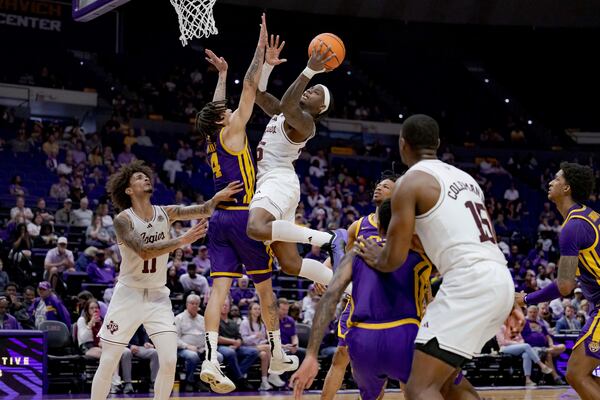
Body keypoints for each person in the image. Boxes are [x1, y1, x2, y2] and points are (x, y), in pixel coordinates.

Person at [354, 114, 514, 400]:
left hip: (468, 282)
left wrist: (378, 255)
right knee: (446, 382)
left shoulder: (408, 182)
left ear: (402, 145)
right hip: (499, 277)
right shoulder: (467, 179)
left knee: (419, 388)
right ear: (437, 144)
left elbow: (392, 259)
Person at [195, 16, 299, 393]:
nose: (230, 110)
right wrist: (259, 49)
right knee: (265, 289)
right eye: (226, 109)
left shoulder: (212, 138)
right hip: (243, 218)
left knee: (217, 292)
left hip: (219, 221)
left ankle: (209, 358)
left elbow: (215, 105)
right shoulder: (233, 127)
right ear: (224, 118)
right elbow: (252, 86)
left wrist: (222, 74)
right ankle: (278, 351)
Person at [89, 160, 240, 400]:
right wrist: (183, 240)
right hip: (128, 295)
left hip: (158, 296)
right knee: (108, 361)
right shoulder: (123, 220)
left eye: (145, 175)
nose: (145, 179)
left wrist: (215, 199)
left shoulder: (165, 212)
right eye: (138, 177)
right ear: (128, 190)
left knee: (169, 360)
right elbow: (144, 250)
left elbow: (202, 209)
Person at [291, 200, 433, 399]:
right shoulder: (421, 251)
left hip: (364, 338)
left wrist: (312, 354)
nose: (379, 188)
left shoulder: (358, 253)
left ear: (380, 227)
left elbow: (329, 297)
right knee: (434, 389)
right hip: (404, 332)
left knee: (372, 391)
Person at [247, 25, 344, 289]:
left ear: (319, 109)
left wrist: (310, 70)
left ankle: (328, 239)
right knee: (290, 264)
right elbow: (256, 94)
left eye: (315, 93)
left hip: (278, 180)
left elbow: (288, 105)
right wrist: (267, 66)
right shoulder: (283, 113)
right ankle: (347, 289)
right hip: (277, 183)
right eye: (312, 88)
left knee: (255, 227)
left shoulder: (306, 125)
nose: (310, 90)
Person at [516, 162, 599, 398]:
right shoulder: (590, 216)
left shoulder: (573, 227)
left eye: (556, 178)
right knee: (588, 376)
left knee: (576, 374)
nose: (551, 182)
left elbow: (565, 285)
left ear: (567, 188)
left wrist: (527, 298)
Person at [320, 175, 397, 400]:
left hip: (389, 306)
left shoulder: (402, 225)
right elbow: (344, 257)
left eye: (385, 186)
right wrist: (324, 272)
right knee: (340, 355)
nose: (378, 187)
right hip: (358, 304)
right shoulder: (359, 225)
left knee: (379, 368)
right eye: (378, 184)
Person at [76, 299, 132, 394]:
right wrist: (91, 323)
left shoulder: (102, 320)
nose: (95, 310)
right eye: (92, 308)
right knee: (110, 354)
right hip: (88, 347)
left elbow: (109, 335)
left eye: (96, 307)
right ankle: (115, 384)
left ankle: (115, 383)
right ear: (87, 310)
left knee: (114, 353)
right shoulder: (82, 320)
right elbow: (83, 338)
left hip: (102, 346)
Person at [496, 305, 553, 387]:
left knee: (526, 355)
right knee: (526, 346)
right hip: (505, 348)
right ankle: (542, 365)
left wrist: (520, 343)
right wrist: (518, 344)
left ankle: (528, 380)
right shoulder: (500, 327)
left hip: (518, 347)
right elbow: (503, 342)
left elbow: (521, 338)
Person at [175, 294, 223, 392]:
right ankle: (190, 381)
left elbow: (208, 336)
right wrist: (187, 346)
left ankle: (208, 382)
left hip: (202, 349)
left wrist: (206, 347)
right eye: (192, 303)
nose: (194, 306)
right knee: (192, 356)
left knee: (218, 356)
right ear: (186, 304)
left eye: (196, 304)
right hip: (184, 349)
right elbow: (175, 339)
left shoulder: (202, 319)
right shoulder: (179, 318)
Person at [240, 302, 286, 390]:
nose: (257, 311)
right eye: (255, 309)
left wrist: (264, 341)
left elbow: (263, 339)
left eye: (259, 309)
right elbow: (244, 340)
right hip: (246, 347)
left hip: (259, 347)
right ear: (250, 311)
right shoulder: (244, 322)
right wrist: (255, 336)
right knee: (268, 347)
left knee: (264, 355)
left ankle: (264, 382)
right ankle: (273, 374)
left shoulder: (261, 323)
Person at [217, 297, 259, 391]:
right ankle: (240, 379)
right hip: (220, 347)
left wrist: (238, 343)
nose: (224, 307)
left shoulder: (233, 322)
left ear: (229, 308)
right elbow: (217, 338)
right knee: (230, 352)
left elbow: (239, 336)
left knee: (254, 352)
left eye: (226, 305)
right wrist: (233, 342)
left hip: (235, 346)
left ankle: (233, 376)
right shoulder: (216, 321)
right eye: (223, 305)